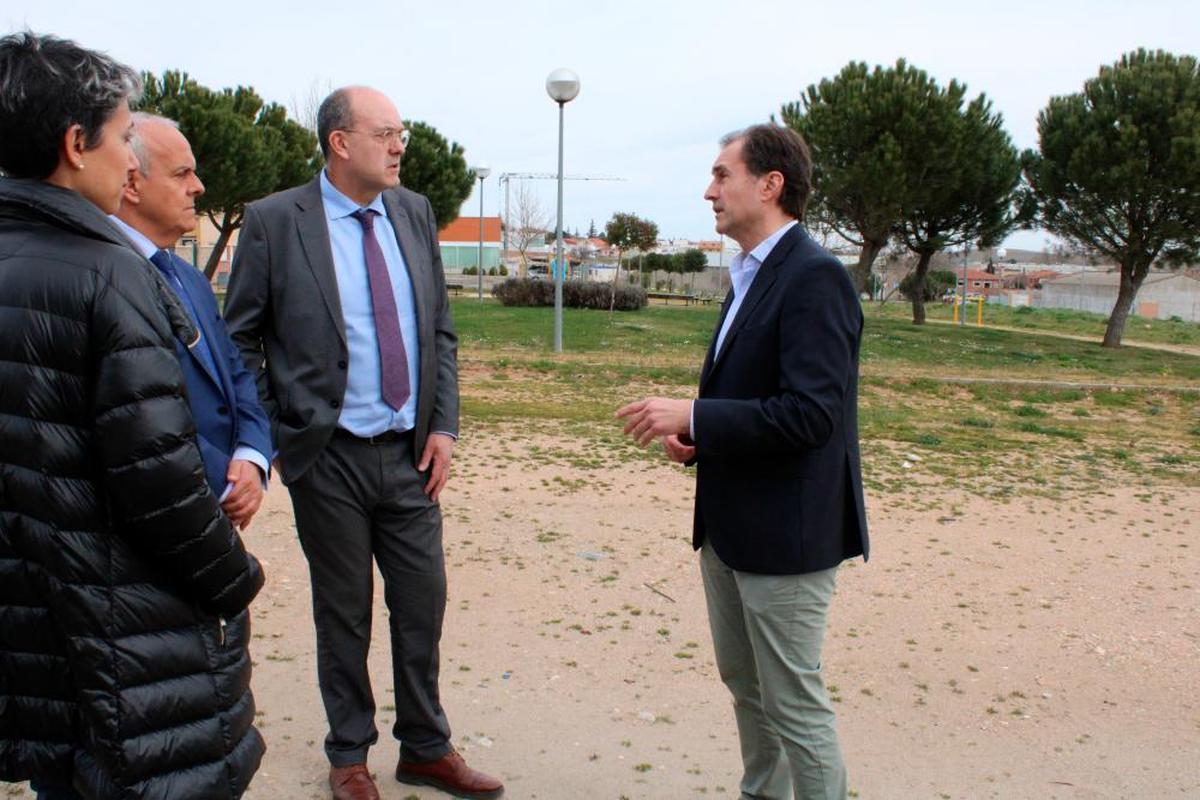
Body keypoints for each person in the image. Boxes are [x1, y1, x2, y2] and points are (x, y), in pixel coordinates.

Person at [0, 32, 264, 800]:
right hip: (126, 626)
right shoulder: (111, 277)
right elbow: (159, 480)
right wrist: (234, 577)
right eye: (122, 138)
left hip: (35, 623)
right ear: (76, 144)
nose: (130, 161)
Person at [224, 86, 502, 800]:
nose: (399, 145)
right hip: (327, 455)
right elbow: (241, 338)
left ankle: (425, 748)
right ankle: (349, 754)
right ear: (340, 142)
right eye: (385, 133)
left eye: (400, 132)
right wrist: (276, 436)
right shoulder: (274, 221)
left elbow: (438, 327)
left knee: (422, 601)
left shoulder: (412, 213)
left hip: (410, 454)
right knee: (342, 608)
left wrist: (443, 425)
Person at [616, 123, 869, 800]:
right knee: (749, 690)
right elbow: (758, 398)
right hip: (730, 531)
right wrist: (702, 439)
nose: (709, 191)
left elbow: (812, 415)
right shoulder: (751, 275)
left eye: (722, 175)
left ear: (771, 184)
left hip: (786, 539)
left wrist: (695, 413)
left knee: (794, 705)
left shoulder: (815, 278)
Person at [110, 113, 271, 528]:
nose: (198, 186)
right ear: (131, 184)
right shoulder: (107, 277)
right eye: (182, 174)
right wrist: (223, 481)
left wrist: (252, 456)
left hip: (213, 504)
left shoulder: (190, 279)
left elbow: (236, 373)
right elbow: (138, 415)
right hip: (162, 510)